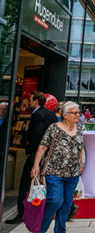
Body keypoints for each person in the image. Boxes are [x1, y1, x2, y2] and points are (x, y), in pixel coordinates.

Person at [30, 101, 84, 233]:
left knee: (67, 202)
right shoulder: (54, 128)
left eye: (78, 112)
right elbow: (42, 147)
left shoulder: (79, 128)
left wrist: (81, 163)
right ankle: (40, 229)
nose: (77, 115)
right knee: (55, 200)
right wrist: (36, 165)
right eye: (74, 113)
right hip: (54, 171)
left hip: (73, 172)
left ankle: (60, 232)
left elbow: (80, 147)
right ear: (65, 115)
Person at [6, 91, 57, 224]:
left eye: (30, 99)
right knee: (43, 182)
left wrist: (30, 148)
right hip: (47, 153)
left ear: (36, 101)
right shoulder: (50, 113)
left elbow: (38, 134)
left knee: (26, 184)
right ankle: (40, 208)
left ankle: (22, 213)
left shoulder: (37, 115)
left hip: (36, 153)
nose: (28, 101)